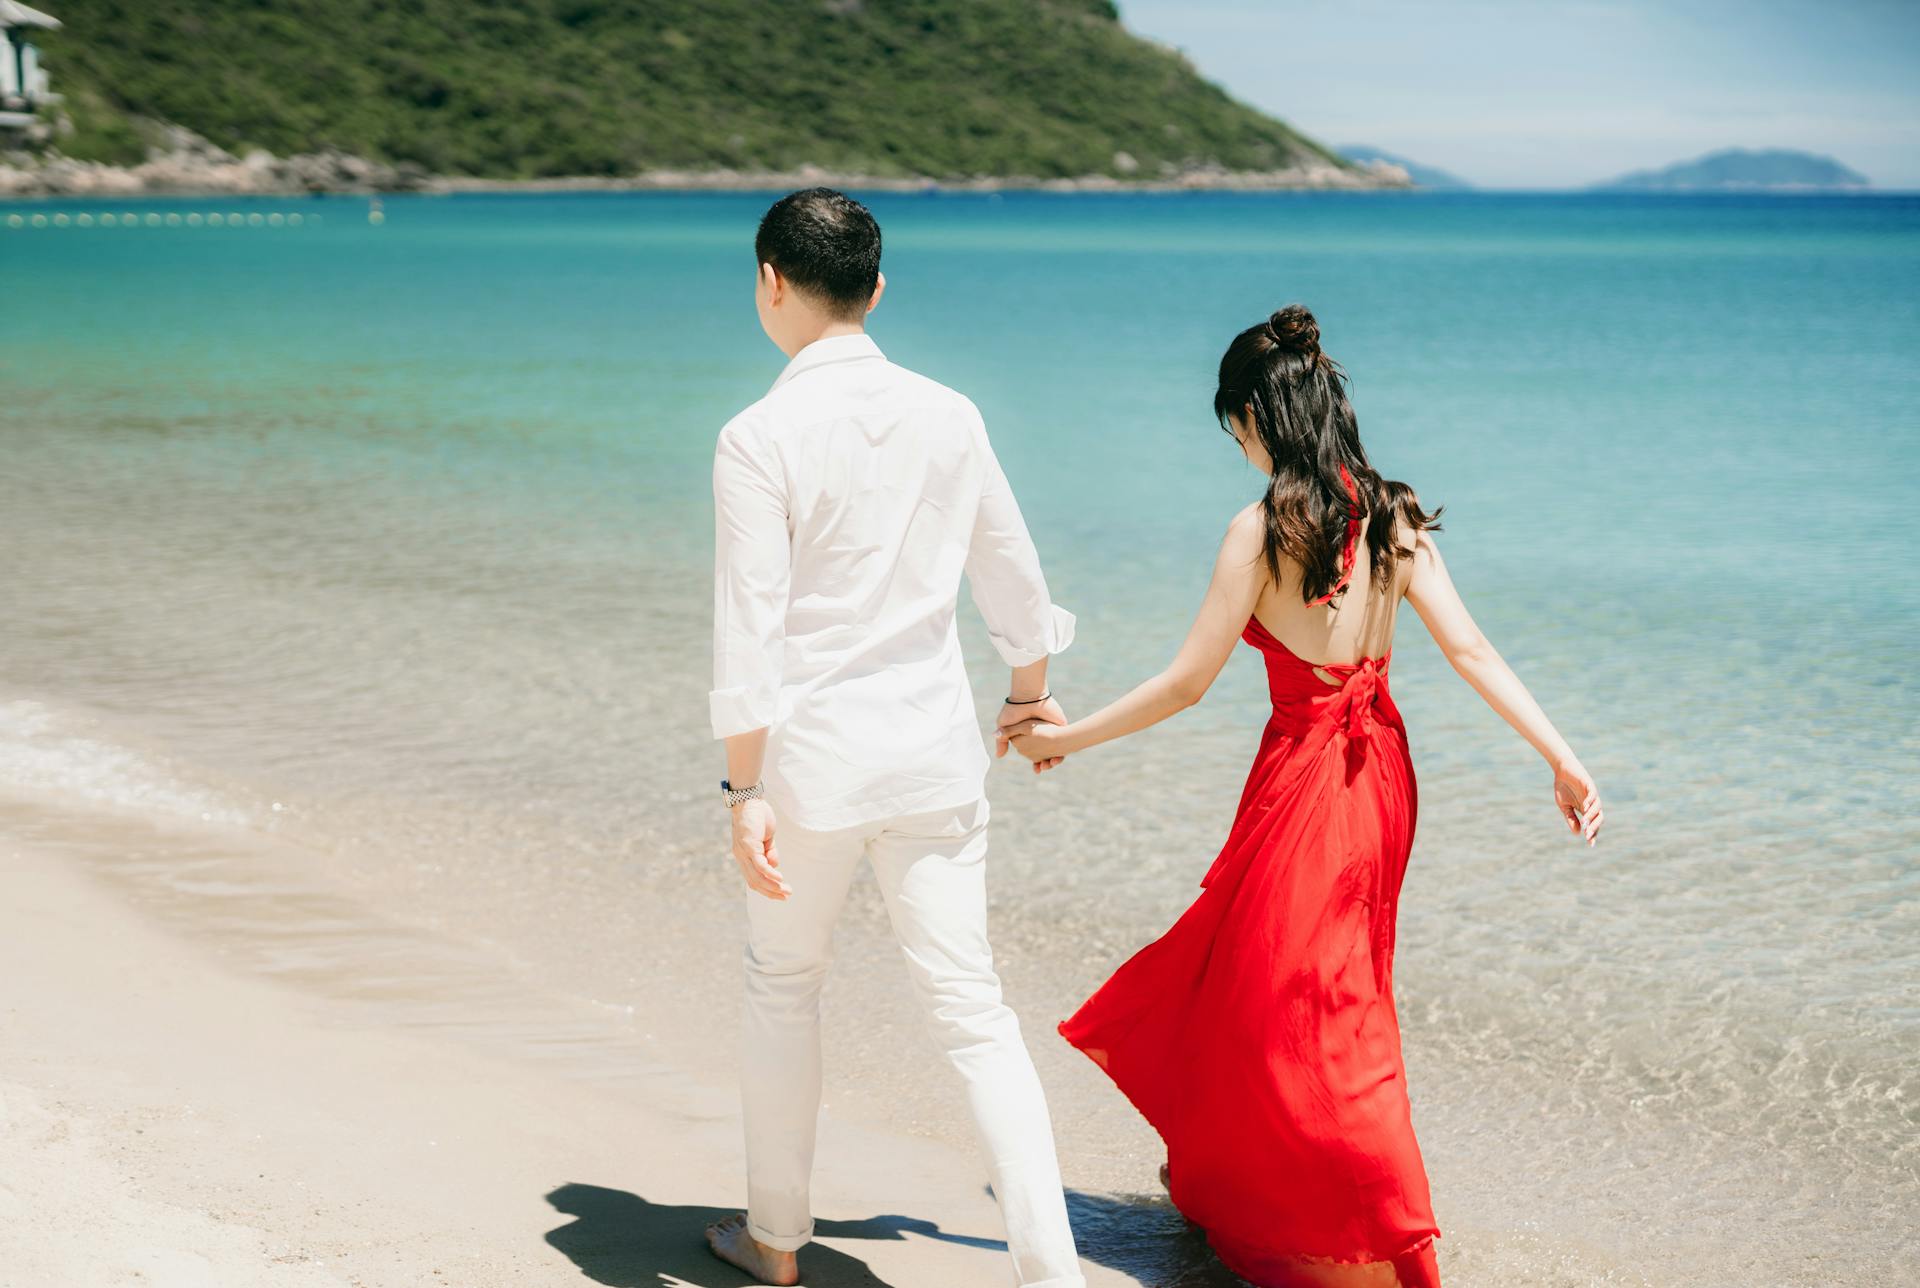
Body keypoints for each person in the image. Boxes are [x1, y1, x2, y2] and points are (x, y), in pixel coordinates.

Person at [1004, 305, 1604, 1288]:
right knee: (1312, 993)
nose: (1234, 445)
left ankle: (1379, 1226)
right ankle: (1250, 1184)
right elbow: (1471, 648)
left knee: (1290, 1004)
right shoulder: (1396, 516)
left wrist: (1065, 737)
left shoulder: (1259, 530)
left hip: (1306, 782)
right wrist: (1562, 754)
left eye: (1233, 425)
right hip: (1381, 780)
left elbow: (1185, 682)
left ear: (1260, 415)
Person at [704, 187, 1085, 1287]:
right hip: (931, 754)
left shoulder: (756, 436)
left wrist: (744, 792)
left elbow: (750, 629)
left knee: (784, 988)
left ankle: (775, 1240)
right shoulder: (950, 412)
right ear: (877, 288)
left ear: (771, 280)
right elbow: (1012, 573)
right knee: (974, 1012)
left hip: (813, 764)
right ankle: (1051, 1267)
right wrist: (1027, 696)